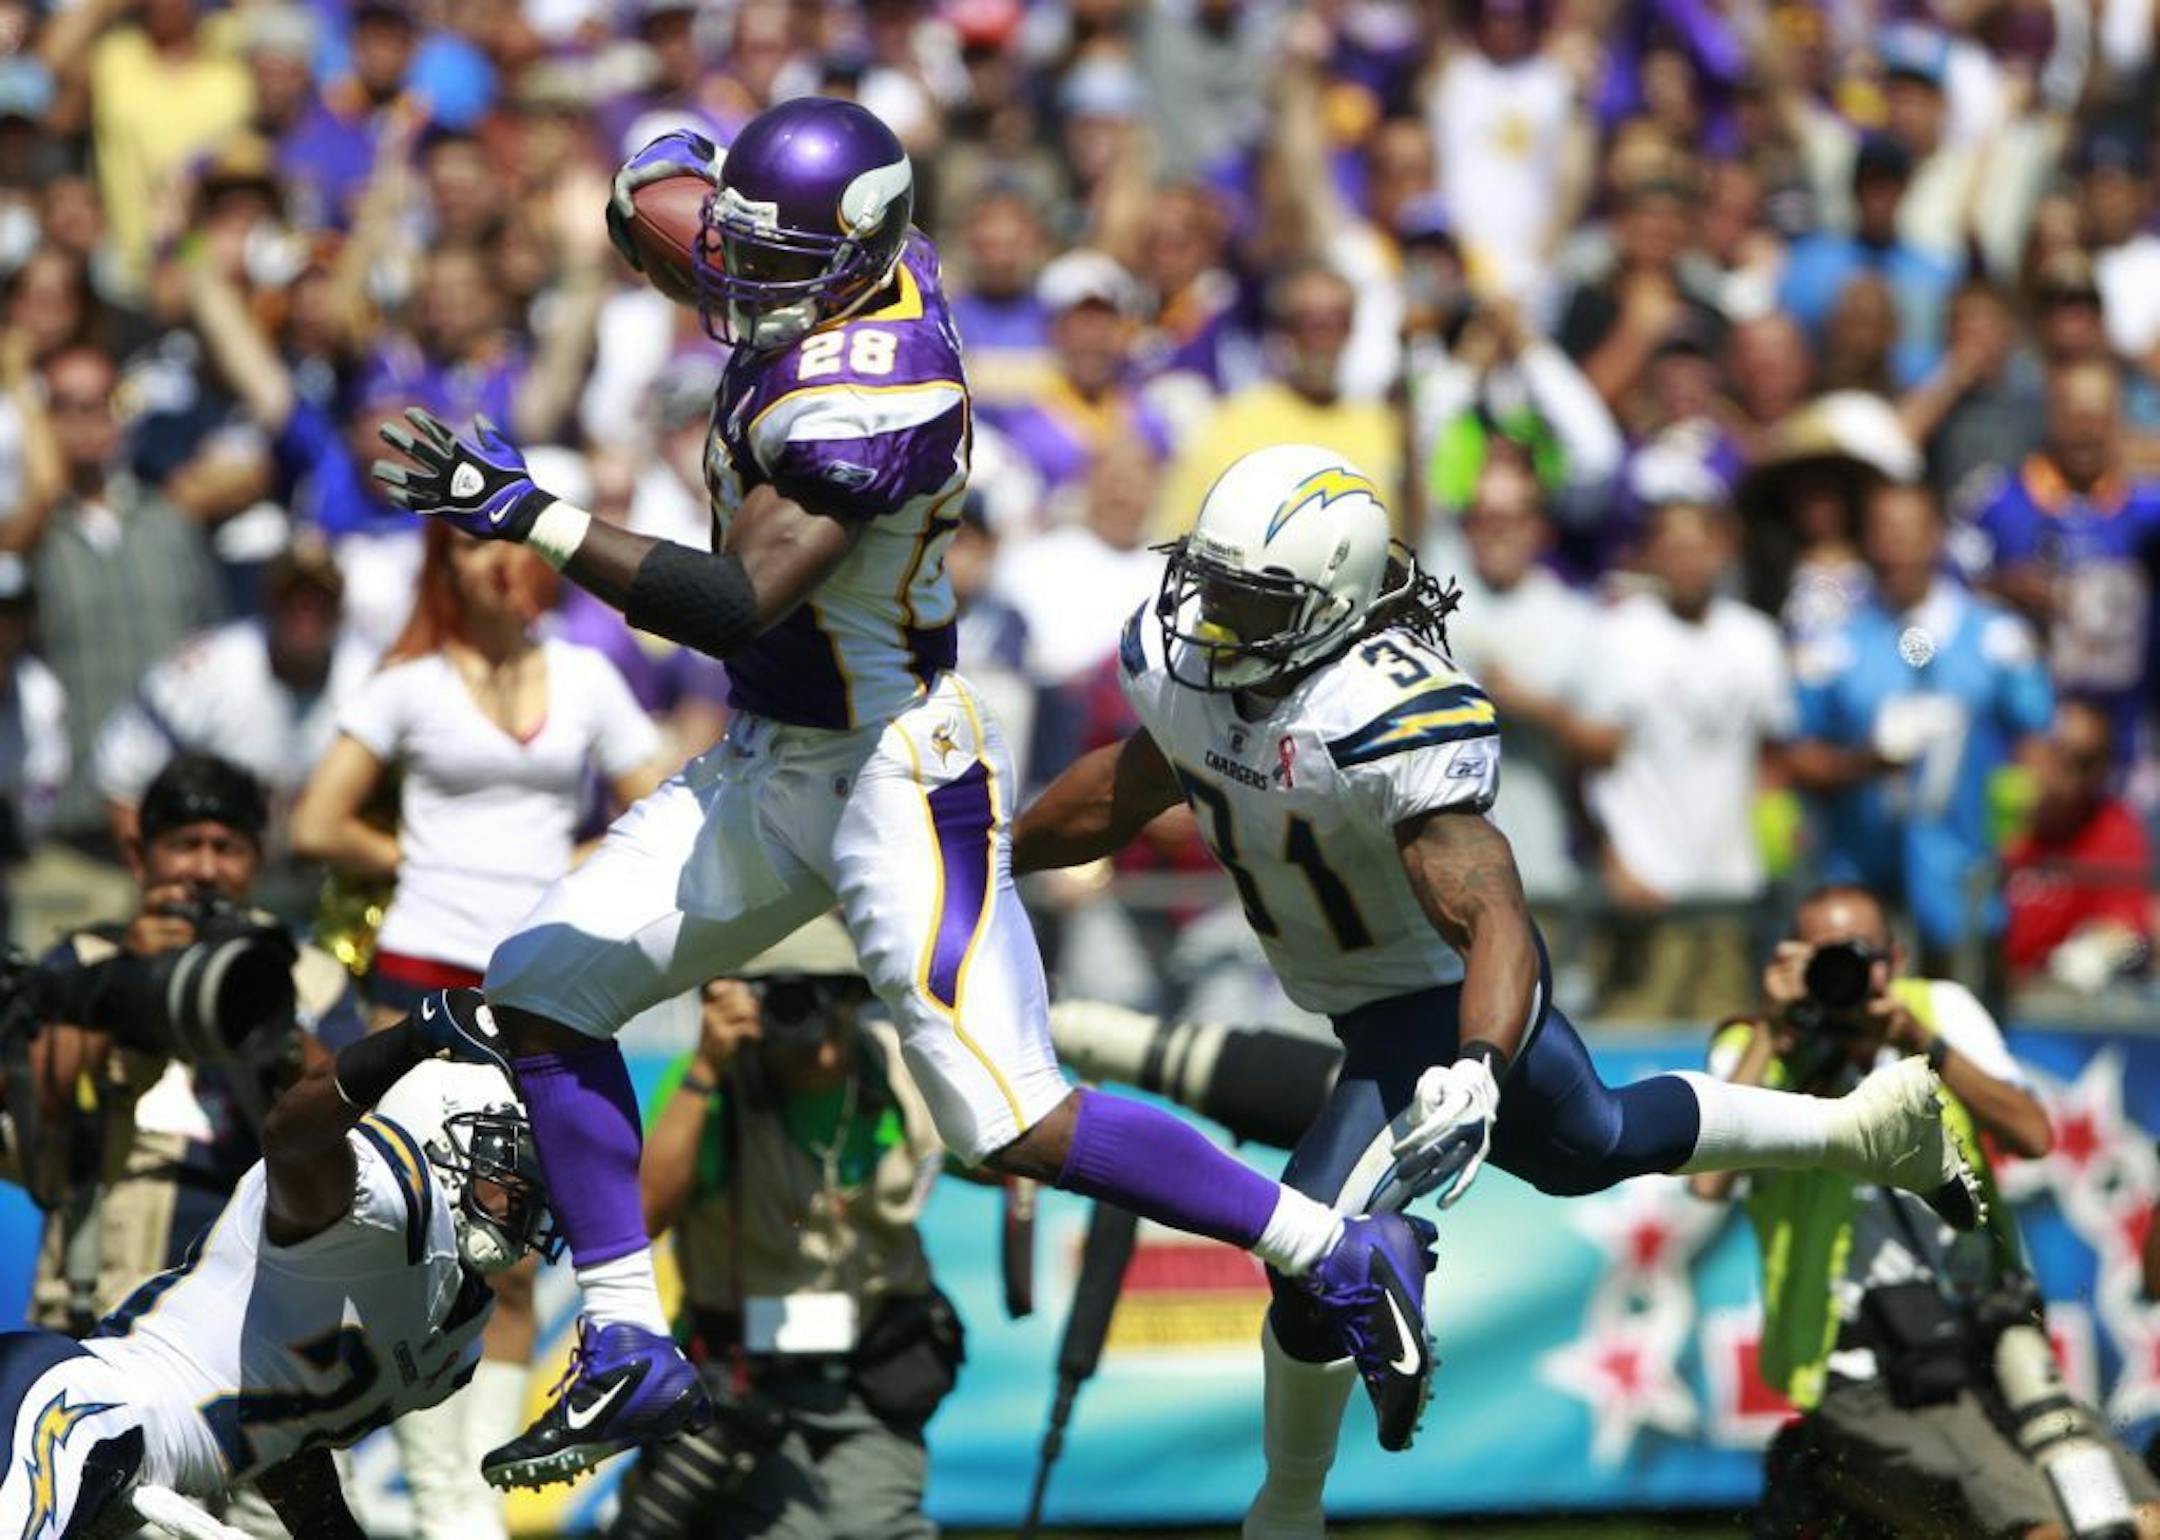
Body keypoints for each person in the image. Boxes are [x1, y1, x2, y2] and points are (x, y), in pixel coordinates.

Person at [364, 98, 1437, 1487]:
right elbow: (685, 216)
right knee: (540, 988)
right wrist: (654, 180)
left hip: (893, 772)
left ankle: (1332, 1248)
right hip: (771, 755)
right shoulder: (838, 259)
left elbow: (735, 600)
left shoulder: (884, 390)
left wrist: (532, 513)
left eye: (775, 261)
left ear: (856, 255)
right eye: (745, 249)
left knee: (1010, 1119)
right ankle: (629, 1338)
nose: (743, 283)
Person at [1012, 443, 1982, 1539]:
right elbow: (1136, 780)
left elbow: (1493, 912)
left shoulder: (1377, 711)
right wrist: (991, 856)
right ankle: (1867, 1131)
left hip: (1444, 994)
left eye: (1253, 598)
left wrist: (1476, 1063)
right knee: (1592, 1142)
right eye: (1212, 583)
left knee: (1311, 1247)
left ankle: (1286, 1508)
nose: (1217, 618)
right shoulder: (1193, 667)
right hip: (1367, 1000)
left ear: (1331, 605)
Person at [290, 521, 663, 1536]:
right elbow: (316, 822)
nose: (493, 560)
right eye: (466, 546)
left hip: (540, 986)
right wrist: (426, 861)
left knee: (515, 1253)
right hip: (419, 983)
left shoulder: (587, 676)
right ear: (442, 568)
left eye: (505, 539)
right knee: (418, 1239)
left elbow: (657, 803)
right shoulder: (407, 684)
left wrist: (568, 867)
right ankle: (438, 1495)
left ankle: (478, 1505)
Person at [1690, 885, 2160, 1540]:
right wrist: (1774, 1033)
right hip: (1861, 1368)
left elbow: (2033, 1134)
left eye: (1858, 956)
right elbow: (1708, 1184)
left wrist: (1919, 1041)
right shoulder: (1755, 1043)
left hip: (1986, 1343)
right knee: (2036, 1525)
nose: (1844, 976)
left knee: (2130, 1516)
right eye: (1821, 958)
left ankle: (1833, 1486)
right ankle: (1829, 1470)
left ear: (1895, 959)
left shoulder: (1937, 1010)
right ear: (1789, 959)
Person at [0, 1040, 559, 1537]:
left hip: (133, 1466)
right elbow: (290, 1137)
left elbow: (284, 1425)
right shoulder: (378, 1203)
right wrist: (412, 1035)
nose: (521, 1200)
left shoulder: (459, 1332)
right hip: (79, 1413)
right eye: (508, 1169)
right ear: (441, 1140)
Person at [616, 916, 955, 1540]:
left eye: (836, 994)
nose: (818, 1023)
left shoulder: (901, 1073)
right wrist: (705, 1068)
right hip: (744, 1385)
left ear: (858, 996)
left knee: (880, 1529)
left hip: (873, 1377)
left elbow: (1001, 1157)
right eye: (792, 998)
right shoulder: (711, 1085)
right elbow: (638, 1222)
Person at [19, 754, 365, 1335]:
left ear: (258, 858)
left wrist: (266, 1010)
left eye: (227, 848)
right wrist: (125, 981)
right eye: (185, 845)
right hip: (103, 1291)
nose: (205, 870)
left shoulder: (311, 978)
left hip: (251, 1302)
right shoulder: (86, 960)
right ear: (139, 856)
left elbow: (354, 1125)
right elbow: (39, 1103)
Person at [1788, 482, 2054, 979]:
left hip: (1969, 881)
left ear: (1935, 538)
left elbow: (2040, 739)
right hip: (1865, 883)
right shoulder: (1834, 645)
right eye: (1882, 532)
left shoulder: (1996, 636)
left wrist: (2015, 819)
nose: (1894, 548)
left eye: (1907, 532)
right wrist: (1862, 764)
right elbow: (1796, 754)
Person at [1578, 497, 1796, 1021]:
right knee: (1634, 1037)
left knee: (1727, 1040)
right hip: (1647, 883)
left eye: (1698, 547)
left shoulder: (1756, 638)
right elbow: (1590, 759)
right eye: (1673, 548)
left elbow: (1773, 755)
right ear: (1651, 555)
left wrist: (1775, 842)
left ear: (1722, 548)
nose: (1688, 561)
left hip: (1731, 890)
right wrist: (1612, 859)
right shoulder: (1620, 635)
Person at [94, 539, 370, 843]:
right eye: (291, 597)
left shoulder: (370, 680)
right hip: (213, 861)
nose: (305, 610)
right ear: (267, 601)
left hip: (325, 865)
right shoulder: (207, 669)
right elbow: (121, 775)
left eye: (320, 599)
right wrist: (152, 865)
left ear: (341, 608)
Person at [2003, 699, 2151, 990]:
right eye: (2059, 753)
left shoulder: (2115, 828)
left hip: (2060, 1000)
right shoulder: (2000, 818)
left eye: (2086, 761)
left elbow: (2127, 927)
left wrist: (2093, 951)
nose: (2070, 772)